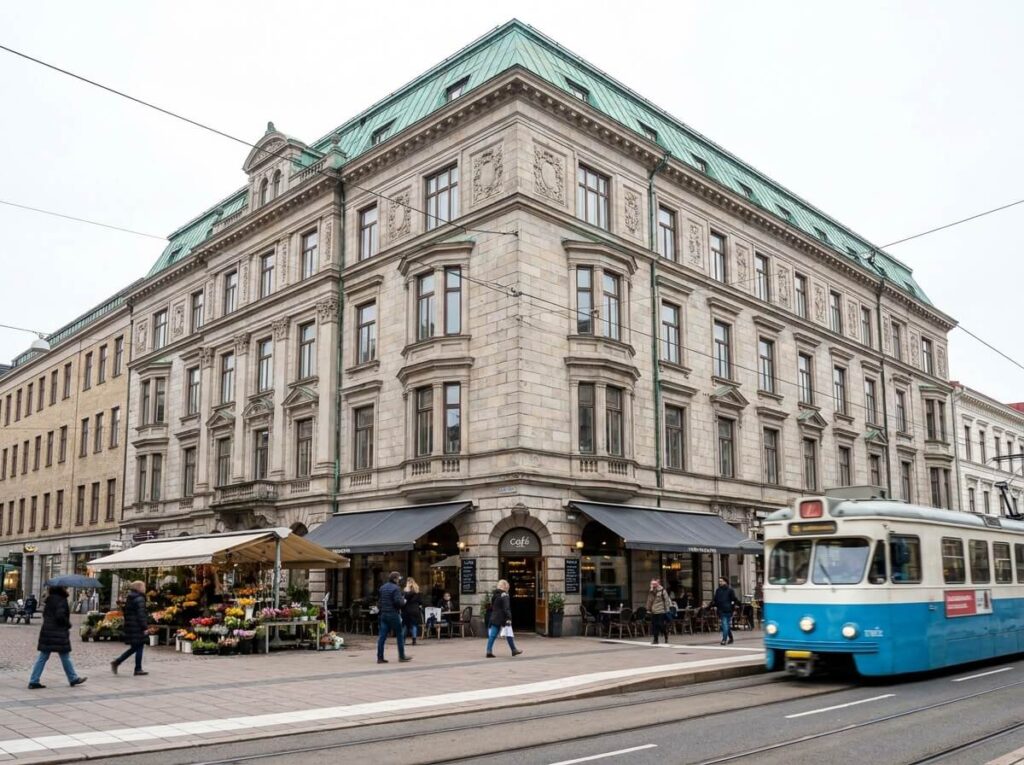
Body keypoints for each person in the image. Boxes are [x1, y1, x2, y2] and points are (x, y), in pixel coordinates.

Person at [28, 586, 86, 689]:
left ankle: (34, 680)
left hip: (47, 631)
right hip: (58, 632)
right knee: (65, 656)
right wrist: (68, 624)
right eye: (65, 588)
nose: (67, 589)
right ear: (61, 590)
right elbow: (60, 616)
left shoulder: (49, 600)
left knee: (43, 656)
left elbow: (45, 615)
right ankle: (73, 678)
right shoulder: (61, 600)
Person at [111, 581, 149, 676]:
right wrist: (144, 627)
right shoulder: (139, 598)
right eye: (144, 586)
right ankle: (137, 668)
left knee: (135, 647)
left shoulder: (131, 597)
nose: (145, 588)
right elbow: (141, 615)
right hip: (137, 626)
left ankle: (118, 662)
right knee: (139, 646)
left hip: (131, 626)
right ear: (139, 588)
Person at [377, 571, 411, 664]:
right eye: (399, 579)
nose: (399, 581)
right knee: (400, 634)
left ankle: (380, 657)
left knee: (382, 636)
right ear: (395, 579)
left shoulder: (382, 587)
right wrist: (404, 600)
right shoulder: (396, 588)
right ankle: (402, 656)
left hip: (384, 614)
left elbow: (379, 602)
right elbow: (398, 602)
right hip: (393, 614)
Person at [485, 580, 522, 658]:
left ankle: (489, 650)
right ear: (506, 587)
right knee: (509, 633)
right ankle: (514, 650)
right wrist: (509, 618)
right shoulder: (504, 595)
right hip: (503, 617)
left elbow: (492, 606)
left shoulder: (495, 594)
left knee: (493, 635)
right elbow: (506, 608)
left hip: (494, 616)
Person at [711, 577, 740, 645]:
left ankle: (724, 640)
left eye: (721, 581)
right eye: (719, 581)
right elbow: (715, 600)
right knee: (726, 625)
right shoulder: (718, 590)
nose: (720, 582)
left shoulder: (730, 590)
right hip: (720, 609)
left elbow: (734, 599)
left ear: (725, 582)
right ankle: (731, 638)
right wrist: (711, 606)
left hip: (728, 610)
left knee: (724, 624)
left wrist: (735, 606)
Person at [645, 579, 672, 645]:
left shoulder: (662, 591)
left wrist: (667, 610)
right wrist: (648, 609)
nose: (652, 585)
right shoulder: (651, 591)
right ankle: (655, 640)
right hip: (654, 611)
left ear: (657, 584)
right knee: (654, 626)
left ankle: (665, 633)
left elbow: (666, 600)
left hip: (661, 611)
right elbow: (649, 601)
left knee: (660, 625)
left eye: (654, 584)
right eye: (651, 584)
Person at [402, 577, 423, 646]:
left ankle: (403, 640)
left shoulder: (407, 591)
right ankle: (414, 641)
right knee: (414, 625)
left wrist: (406, 590)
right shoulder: (417, 591)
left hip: (407, 610)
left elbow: (405, 599)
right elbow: (420, 602)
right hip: (415, 610)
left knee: (405, 625)